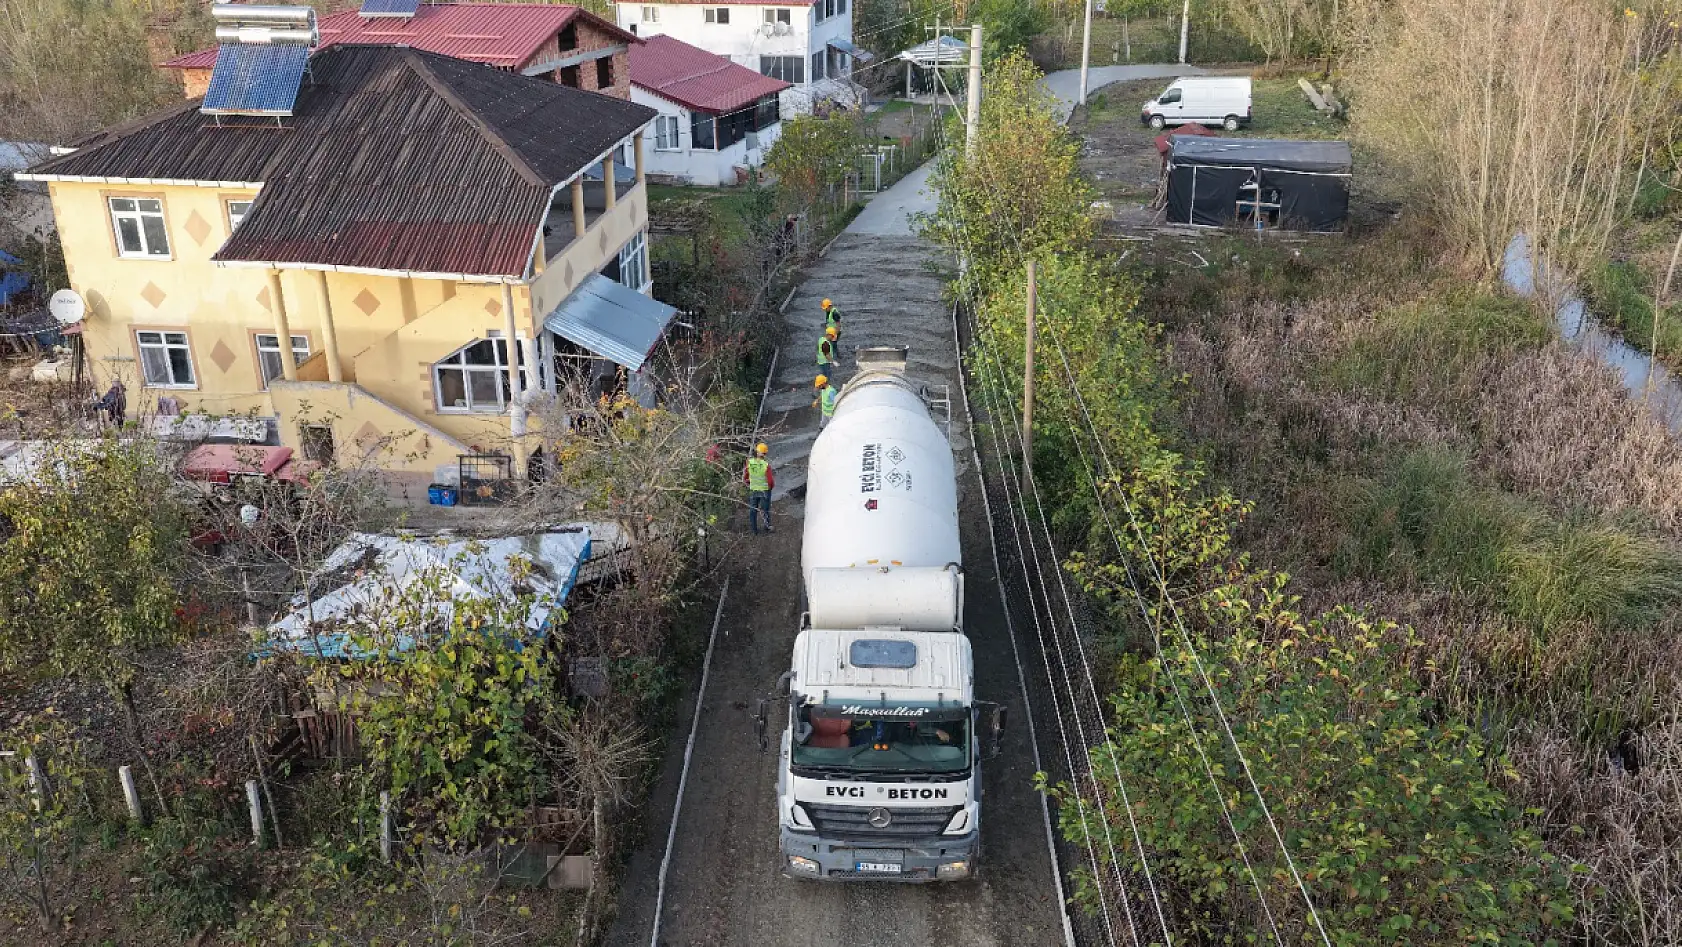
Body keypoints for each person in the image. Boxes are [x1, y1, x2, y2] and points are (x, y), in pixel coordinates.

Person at [744, 442, 774, 535]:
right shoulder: (766, 465)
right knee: (765, 510)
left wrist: (750, 483)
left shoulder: (750, 463)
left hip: (753, 490)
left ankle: (754, 530)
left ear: (757, 452)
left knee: (753, 510)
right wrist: (770, 487)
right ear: (764, 454)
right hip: (764, 490)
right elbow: (770, 481)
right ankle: (767, 526)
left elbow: (746, 477)